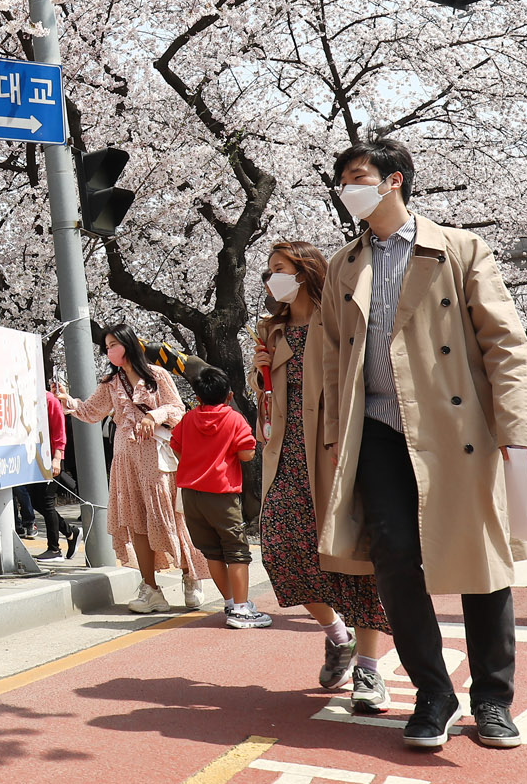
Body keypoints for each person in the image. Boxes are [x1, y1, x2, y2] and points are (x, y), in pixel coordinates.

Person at [309, 137, 527, 752]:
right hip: (377, 432)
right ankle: (433, 694)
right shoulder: (342, 265)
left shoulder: (459, 249)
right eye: (343, 180)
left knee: (480, 565)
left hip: (457, 433)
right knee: (394, 566)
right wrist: (331, 441)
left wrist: (517, 433)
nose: (348, 188)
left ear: (395, 181)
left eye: (360, 176)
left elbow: (505, 345)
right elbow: (328, 359)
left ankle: (493, 701)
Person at [252, 240, 391, 713]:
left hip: (339, 450)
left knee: (359, 558)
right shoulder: (270, 333)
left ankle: (370, 674)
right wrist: (260, 377)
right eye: (269, 271)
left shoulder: (339, 319)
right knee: (282, 548)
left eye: (280, 269)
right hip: (287, 455)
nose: (272, 279)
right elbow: (268, 405)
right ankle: (337, 635)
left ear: (306, 271)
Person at [62, 327, 211, 613]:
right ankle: (151, 588)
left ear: (129, 344)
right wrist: (68, 402)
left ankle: (190, 576)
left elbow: (177, 410)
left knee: (169, 517)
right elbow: (91, 411)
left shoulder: (157, 376)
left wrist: (155, 415)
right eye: (107, 347)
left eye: (113, 344)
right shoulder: (110, 383)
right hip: (126, 459)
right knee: (137, 522)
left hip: (156, 460)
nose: (110, 351)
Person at [173, 366, 268, 629]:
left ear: (198, 397)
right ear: (229, 395)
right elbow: (247, 453)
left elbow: (176, 448)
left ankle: (229, 601)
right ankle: (240, 609)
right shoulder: (234, 419)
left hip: (191, 494)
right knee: (237, 551)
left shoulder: (188, 419)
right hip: (222, 493)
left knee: (212, 551)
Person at [19, 379, 73, 560]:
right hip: (36, 459)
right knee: (36, 501)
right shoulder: (25, 402)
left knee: (47, 502)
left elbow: (60, 432)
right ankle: (70, 532)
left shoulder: (49, 400)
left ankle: (54, 548)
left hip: (52, 458)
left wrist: (57, 458)